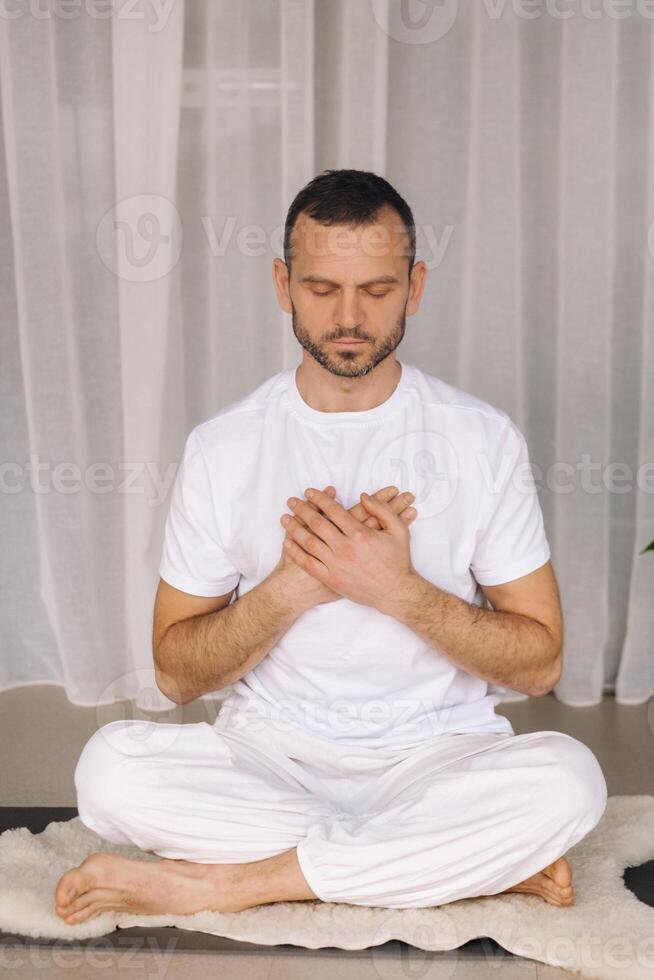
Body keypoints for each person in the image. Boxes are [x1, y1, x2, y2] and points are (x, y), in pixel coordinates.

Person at [55, 169, 607, 925]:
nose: (348, 316)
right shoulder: (223, 447)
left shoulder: (482, 438)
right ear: (282, 285)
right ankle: (451, 863)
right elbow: (177, 675)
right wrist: (296, 585)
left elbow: (540, 663)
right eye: (321, 288)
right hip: (270, 758)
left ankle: (236, 883)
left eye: (377, 291)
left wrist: (396, 589)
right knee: (108, 771)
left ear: (415, 289)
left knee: (570, 779)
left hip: (437, 756)